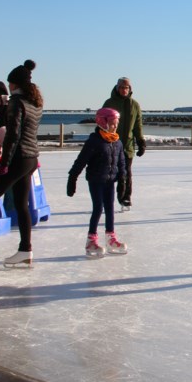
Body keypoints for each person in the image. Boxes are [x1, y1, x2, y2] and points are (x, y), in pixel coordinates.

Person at [0, 60, 43, 267]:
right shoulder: (34, 102)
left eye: (10, 83)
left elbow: (13, 135)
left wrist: (4, 163)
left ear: (15, 84)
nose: (8, 87)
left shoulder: (17, 102)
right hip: (31, 159)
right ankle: (25, 250)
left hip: (18, 159)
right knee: (21, 205)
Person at [67, 108, 128, 258]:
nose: (115, 126)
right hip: (96, 180)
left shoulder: (117, 141)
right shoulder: (94, 140)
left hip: (110, 181)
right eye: (113, 123)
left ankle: (110, 238)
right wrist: (72, 177)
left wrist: (122, 181)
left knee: (110, 209)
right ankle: (91, 241)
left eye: (117, 123)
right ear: (103, 122)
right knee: (98, 208)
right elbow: (81, 160)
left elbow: (121, 163)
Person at [102, 77, 145, 211]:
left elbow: (138, 125)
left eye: (126, 88)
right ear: (117, 88)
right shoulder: (109, 103)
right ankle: (105, 198)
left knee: (126, 173)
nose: (124, 90)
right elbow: (101, 123)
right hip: (111, 144)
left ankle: (125, 197)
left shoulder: (135, 105)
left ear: (130, 89)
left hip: (128, 146)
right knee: (109, 172)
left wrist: (141, 141)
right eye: (121, 87)